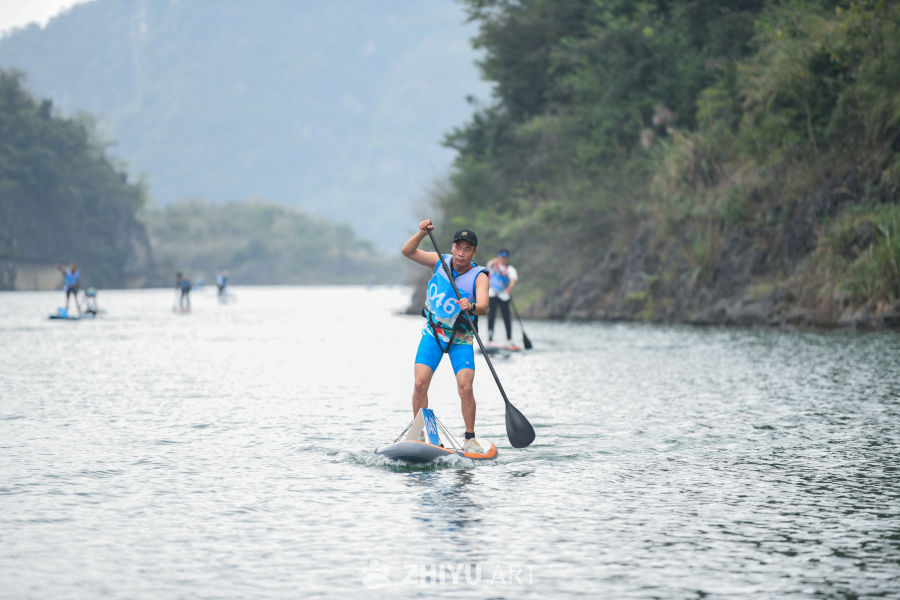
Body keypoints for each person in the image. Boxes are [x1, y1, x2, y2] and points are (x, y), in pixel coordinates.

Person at [401, 220, 490, 453]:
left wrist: (471, 305)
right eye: (458, 247)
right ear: (452, 248)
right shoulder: (439, 262)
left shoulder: (479, 276)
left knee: (465, 388)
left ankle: (469, 438)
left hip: (461, 338)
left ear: (474, 252)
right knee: (420, 384)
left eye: (467, 249)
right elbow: (408, 251)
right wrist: (421, 233)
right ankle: (422, 433)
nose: (461, 253)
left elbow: (484, 307)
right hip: (433, 334)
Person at [486, 249, 519, 350]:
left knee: (506, 317)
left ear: (507, 258)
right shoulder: (493, 266)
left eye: (505, 258)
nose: (503, 259)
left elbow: (512, 281)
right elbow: (489, 265)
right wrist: (495, 260)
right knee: (491, 316)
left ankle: (509, 340)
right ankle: (490, 340)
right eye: (501, 257)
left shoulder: (510, 269)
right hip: (492, 294)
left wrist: (509, 289)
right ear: (499, 257)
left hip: (504, 296)